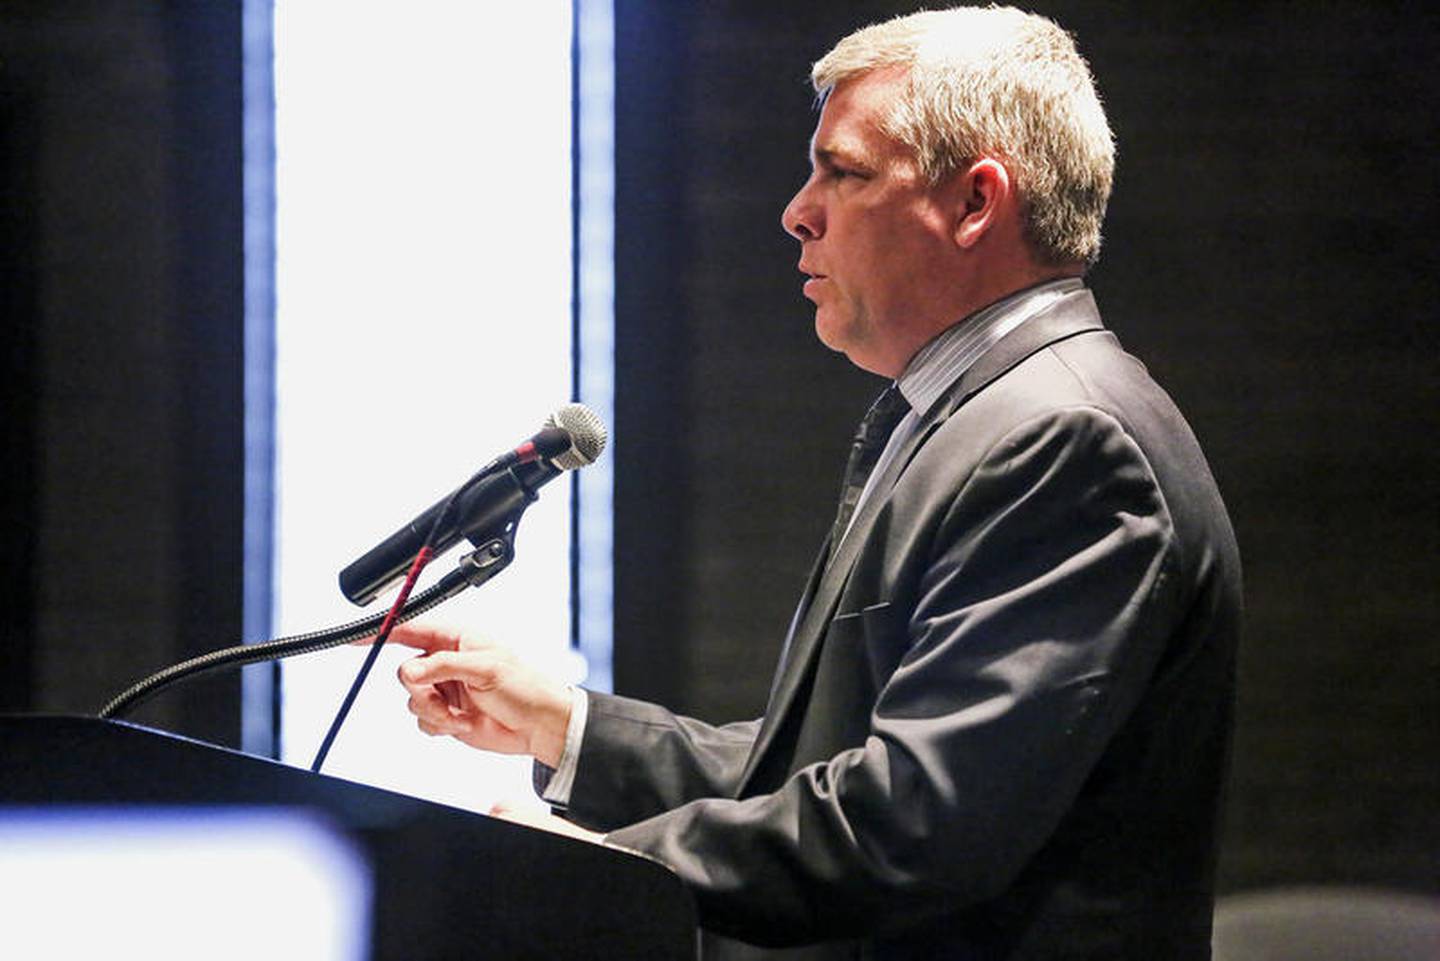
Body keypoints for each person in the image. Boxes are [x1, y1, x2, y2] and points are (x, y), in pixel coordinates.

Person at [389, 7, 1241, 959]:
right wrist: (566, 723)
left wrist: (597, 864)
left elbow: (910, 823)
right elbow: (825, 769)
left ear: (974, 203)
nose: (799, 209)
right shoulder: (968, 417)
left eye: (845, 170)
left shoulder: (1065, 441)